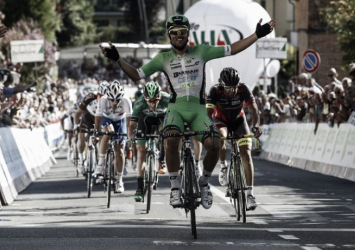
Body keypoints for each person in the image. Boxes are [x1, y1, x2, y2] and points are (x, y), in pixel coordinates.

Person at [99, 14, 275, 209]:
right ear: (169, 35)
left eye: (182, 32)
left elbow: (232, 49)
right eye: (174, 33)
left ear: (188, 33)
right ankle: (175, 187)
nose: (179, 35)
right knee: (171, 139)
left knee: (216, 143)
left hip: (199, 110)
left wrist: (256, 35)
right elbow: (137, 74)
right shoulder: (163, 58)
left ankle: (204, 182)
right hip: (177, 109)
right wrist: (118, 59)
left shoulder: (202, 51)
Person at [206, 67, 262, 210]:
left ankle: (250, 195)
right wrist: (210, 129)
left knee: (246, 154)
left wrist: (256, 127)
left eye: (234, 88)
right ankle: (224, 166)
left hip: (239, 121)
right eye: (228, 88)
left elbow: (254, 110)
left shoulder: (244, 89)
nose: (231, 91)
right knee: (222, 138)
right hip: (221, 121)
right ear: (222, 85)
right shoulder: (215, 90)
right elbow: (208, 114)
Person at [127, 81, 170, 202]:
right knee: (141, 150)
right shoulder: (139, 102)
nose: (152, 104)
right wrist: (130, 139)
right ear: (145, 98)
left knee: (166, 134)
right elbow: (132, 125)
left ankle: (161, 160)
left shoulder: (167, 99)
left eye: (154, 101)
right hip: (145, 121)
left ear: (160, 97)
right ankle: (140, 188)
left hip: (161, 119)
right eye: (149, 101)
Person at [95, 80, 132, 193]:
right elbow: (98, 117)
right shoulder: (102, 100)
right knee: (107, 133)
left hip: (120, 121)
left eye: (117, 100)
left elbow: (129, 121)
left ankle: (119, 180)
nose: (114, 102)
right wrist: (97, 132)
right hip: (107, 119)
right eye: (112, 100)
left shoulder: (126, 100)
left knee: (120, 150)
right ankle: (101, 164)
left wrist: (129, 136)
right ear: (108, 97)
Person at [73, 81, 109, 174]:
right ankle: (81, 159)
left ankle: (100, 160)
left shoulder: (110, 100)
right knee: (81, 137)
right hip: (88, 117)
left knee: (103, 137)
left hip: (101, 118)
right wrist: (75, 126)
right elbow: (77, 113)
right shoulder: (90, 96)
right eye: (101, 96)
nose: (102, 98)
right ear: (97, 94)